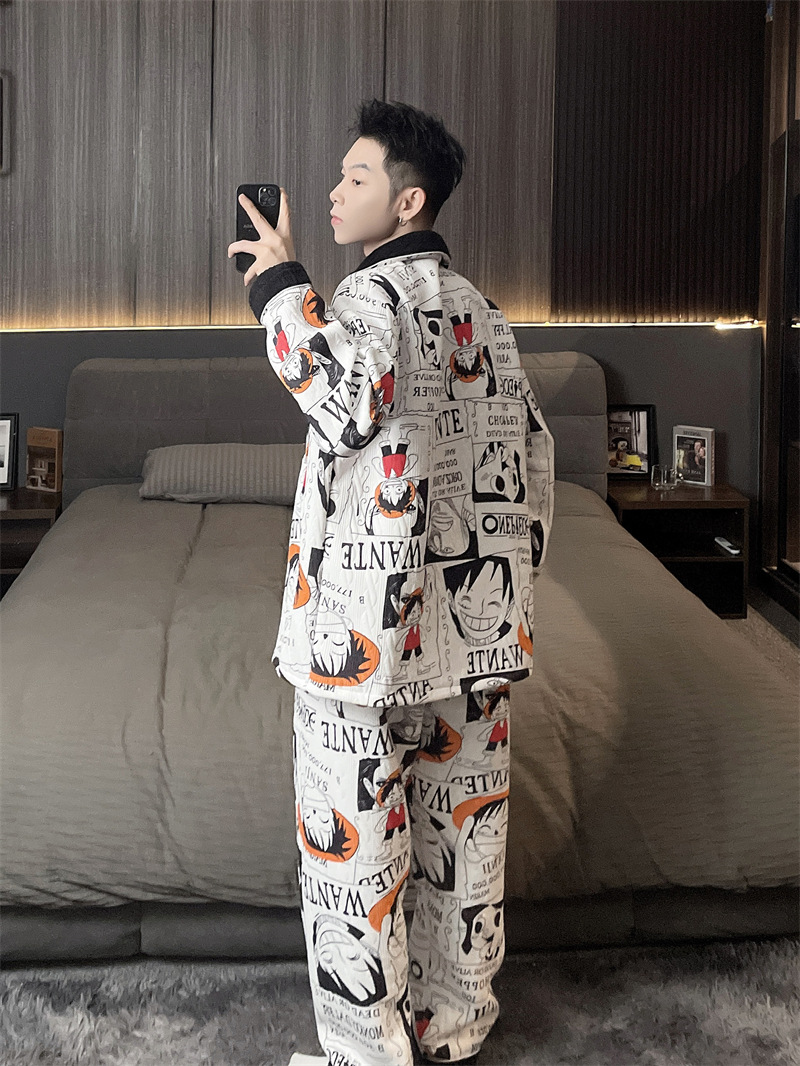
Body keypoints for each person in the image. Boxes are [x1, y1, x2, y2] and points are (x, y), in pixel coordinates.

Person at [227, 98, 555, 1066]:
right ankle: (453, 1030)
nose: (332, 193)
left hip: (364, 646)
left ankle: (367, 1055)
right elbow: (532, 463)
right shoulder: (485, 313)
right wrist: (507, 594)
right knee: (465, 844)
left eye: (355, 177)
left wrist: (279, 284)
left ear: (408, 200)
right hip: (475, 645)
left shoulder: (367, 297)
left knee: (356, 863)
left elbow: (345, 404)